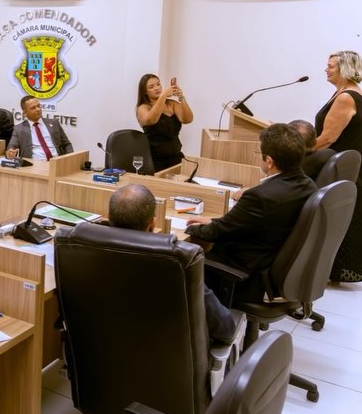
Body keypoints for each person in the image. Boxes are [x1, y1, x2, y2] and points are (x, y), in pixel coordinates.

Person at [186, 123, 317, 302]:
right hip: (275, 269)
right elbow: (241, 223)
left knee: (182, 258)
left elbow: (217, 233)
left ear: (269, 161)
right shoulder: (308, 185)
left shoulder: (261, 196)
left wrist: (187, 229)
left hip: (246, 275)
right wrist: (214, 221)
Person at [107, 184, 236, 342]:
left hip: (101, 353)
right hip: (165, 355)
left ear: (109, 217)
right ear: (153, 223)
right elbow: (225, 329)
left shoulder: (85, 253)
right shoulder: (179, 262)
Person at [314, 50, 362, 282]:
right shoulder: (346, 93)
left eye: (331, 66)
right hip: (347, 167)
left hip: (342, 169)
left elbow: (327, 139)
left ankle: (333, 270)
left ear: (345, 69)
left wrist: (296, 152)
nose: (326, 69)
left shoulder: (346, 97)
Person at [135, 74, 194, 172]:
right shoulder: (143, 108)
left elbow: (187, 119)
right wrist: (163, 96)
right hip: (155, 161)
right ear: (144, 91)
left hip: (176, 157)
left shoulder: (172, 104)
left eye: (158, 84)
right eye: (151, 87)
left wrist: (181, 97)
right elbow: (152, 119)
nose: (157, 88)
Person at [6, 95, 73, 160]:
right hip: (35, 163)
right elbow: (12, 145)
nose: (38, 109)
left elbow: (67, 144)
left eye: (38, 106)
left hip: (56, 161)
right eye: (33, 108)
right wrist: (10, 152)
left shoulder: (54, 123)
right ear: (24, 113)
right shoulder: (19, 129)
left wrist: (70, 158)